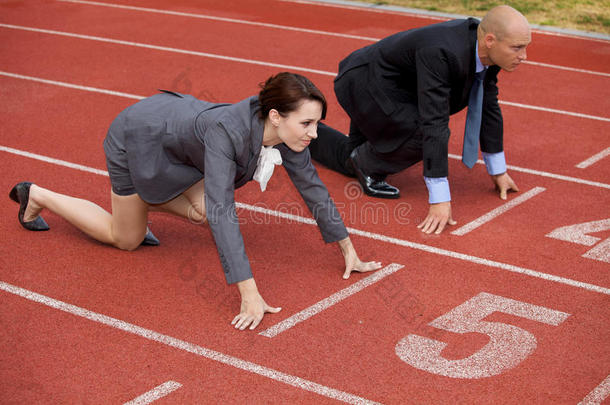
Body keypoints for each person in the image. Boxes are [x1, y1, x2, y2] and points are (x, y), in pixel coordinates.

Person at [9, 72, 382, 330]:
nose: (315, 134)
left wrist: (347, 248)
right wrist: (249, 294)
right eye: (307, 124)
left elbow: (312, 186)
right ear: (275, 116)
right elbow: (224, 209)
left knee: (202, 211)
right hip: (138, 137)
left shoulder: (286, 132)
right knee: (126, 239)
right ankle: (37, 195)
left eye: (317, 123)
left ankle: (142, 203)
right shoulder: (226, 133)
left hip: (179, 153)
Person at [309, 5, 530, 235]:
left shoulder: (487, 51)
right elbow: (434, 121)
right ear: (491, 40)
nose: (524, 56)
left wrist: (498, 171)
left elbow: (487, 104)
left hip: (395, 89)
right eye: (517, 48)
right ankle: (366, 164)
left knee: (349, 158)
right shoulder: (443, 52)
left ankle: (298, 134)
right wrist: (439, 199)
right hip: (366, 84)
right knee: (422, 135)